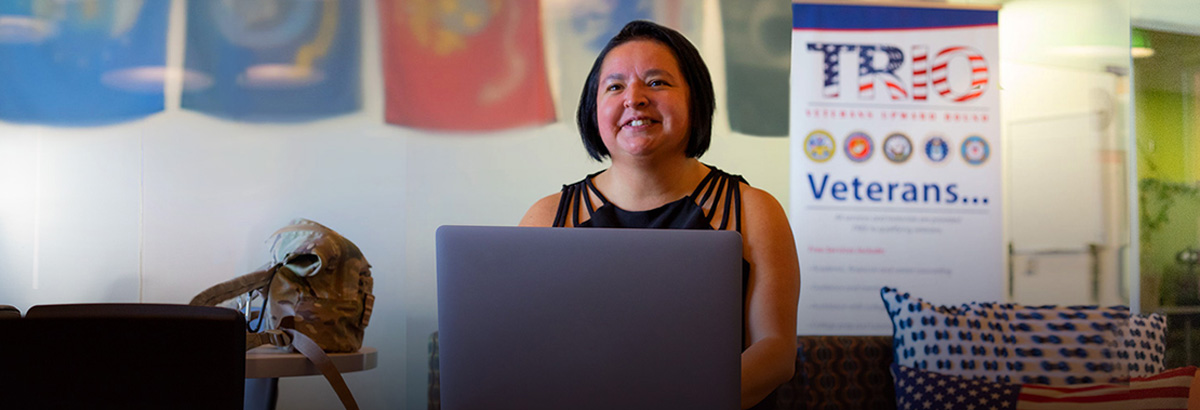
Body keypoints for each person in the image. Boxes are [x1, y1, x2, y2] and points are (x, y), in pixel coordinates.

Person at [519, 20, 800, 410]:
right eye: (614, 87)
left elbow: (776, 352)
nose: (634, 98)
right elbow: (523, 352)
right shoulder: (547, 217)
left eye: (656, 82)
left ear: (694, 99)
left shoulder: (753, 210)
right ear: (593, 107)